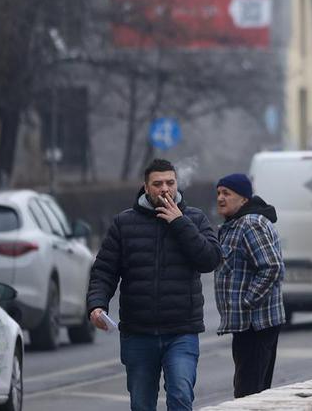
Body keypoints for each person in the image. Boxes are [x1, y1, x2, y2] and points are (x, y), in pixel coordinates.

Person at [86, 159, 222, 411]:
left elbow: (210, 260)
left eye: (170, 182)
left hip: (181, 331)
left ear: (177, 184)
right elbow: (104, 270)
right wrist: (96, 304)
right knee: (141, 404)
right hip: (138, 332)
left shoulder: (194, 218)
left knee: (181, 395)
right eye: (157, 184)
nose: (164, 189)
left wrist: (180, 223)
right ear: (146, 187)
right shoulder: (124, 223)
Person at [214, 172, 285, 399]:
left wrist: (248, 301)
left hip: (256, 324)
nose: (220, 198)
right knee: (255, 392)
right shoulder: (236, 223)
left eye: (227, 193)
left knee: (248, 394)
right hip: (248, 325)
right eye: (218, 193)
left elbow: (271, 267)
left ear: (244, 198)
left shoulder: (250, 224)